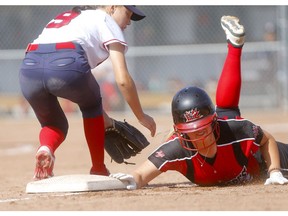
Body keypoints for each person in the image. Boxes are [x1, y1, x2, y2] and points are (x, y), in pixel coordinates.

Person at [110, 15, 288, 189]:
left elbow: (266, 139)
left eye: (204, 130)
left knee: (228, 115)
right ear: (180, 133)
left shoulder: (234, 130)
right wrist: (131, 180)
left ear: (214, 121)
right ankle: (234, 46)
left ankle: (235, 47)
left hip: (259, 161)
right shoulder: (177, 148)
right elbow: (141, 174)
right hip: (221, 141)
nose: (201, 138)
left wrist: (274, 171)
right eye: (193, 132)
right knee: (227, 109)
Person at [19, 5, 156, 180]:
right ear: (112, 7)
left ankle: (46, 148)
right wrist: (141, 115)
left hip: (29, 68)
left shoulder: (68, 17)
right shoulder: (106, 20)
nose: (129, 22)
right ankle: (98, 168)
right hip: (67, 62)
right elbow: (122, 79)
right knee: (92, 106)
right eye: (127, 14)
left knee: (54, 124)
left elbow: (45, 55)